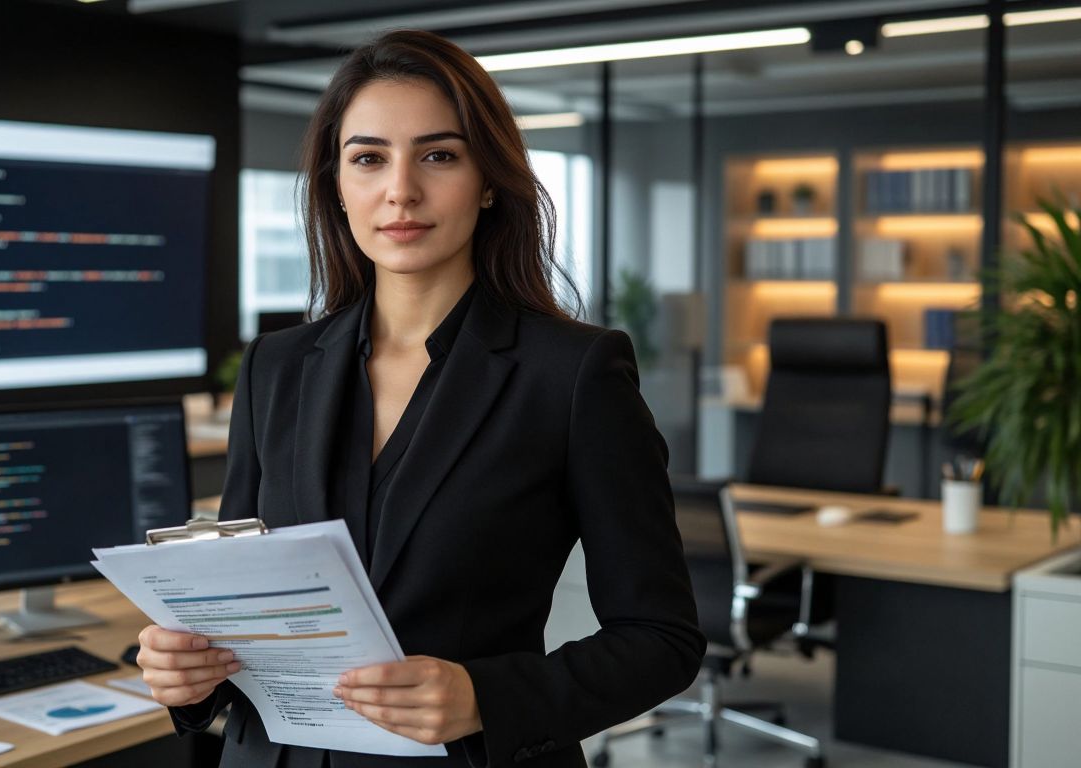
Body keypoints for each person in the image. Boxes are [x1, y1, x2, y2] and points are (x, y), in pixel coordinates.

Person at [135, 29, 705, 768]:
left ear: (490, 179)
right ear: (336, 186)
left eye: (438, 155)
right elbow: (243, 599)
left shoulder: (572, 374)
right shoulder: (276, 366)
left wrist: (483, 697)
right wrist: (191, 678)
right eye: (368, 158)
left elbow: (662, 639)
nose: (400, 189)